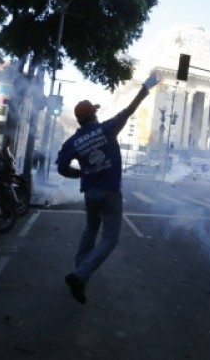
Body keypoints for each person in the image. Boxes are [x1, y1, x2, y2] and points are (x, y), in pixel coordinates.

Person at [56, 71, 160, 304]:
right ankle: (80, 274)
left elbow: (62, 168)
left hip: (90, 193)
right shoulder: (107, 129)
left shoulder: (73, 141)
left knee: (90, 230)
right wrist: (146, 86)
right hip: (110, 193)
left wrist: (81, 173)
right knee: (110, 238)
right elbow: (130, 109)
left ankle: (79, 272)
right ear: (93, 116)